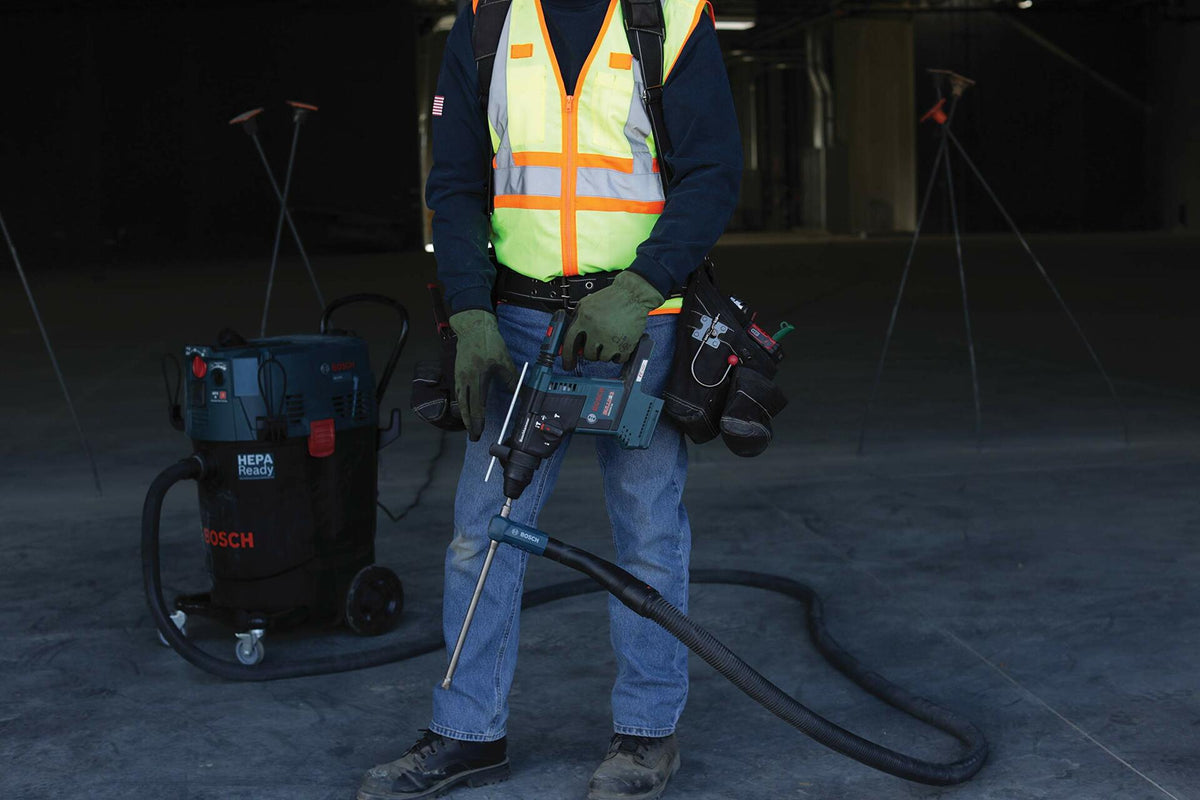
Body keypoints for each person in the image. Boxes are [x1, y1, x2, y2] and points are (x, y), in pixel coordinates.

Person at [359, 0, 740, 797]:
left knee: (649, 534)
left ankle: (645, 736)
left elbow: (714, 171)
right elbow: (457, 180)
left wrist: (641, 286)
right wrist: (468, 310)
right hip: (517, 325)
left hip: (640, 325)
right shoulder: (487, 20)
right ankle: (468, 734)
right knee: (482, 534)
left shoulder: (668, 17)